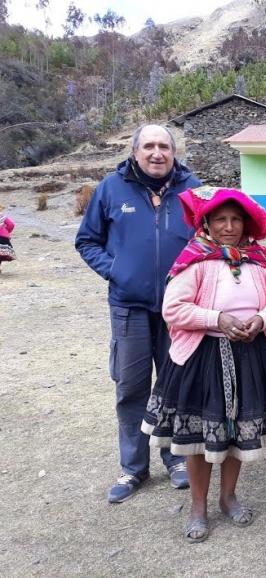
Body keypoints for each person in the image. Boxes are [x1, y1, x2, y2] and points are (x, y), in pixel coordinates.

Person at [141, 186, 266, 542]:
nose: (229, 226)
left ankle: (228, 497)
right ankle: (198, 507)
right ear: (206, 223)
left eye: (235, 219)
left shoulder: (258, 260)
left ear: (245, 223)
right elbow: (173, 308)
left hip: (250, 356)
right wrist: (218, 319)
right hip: (202, 358)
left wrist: (260, 318)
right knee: (196, 437)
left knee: (239, 432)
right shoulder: (195, 260)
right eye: (221, 219)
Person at [75, 124, 201, 503]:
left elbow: (207, 238)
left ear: (174, 152)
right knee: (131, 387)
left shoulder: (193, 188)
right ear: (135, 151)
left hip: (177, 309)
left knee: (174, 385)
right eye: (149, 146)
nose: (157, 153)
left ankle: (176, 459)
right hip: (129, 306)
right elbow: (87, 240)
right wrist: (117, 270)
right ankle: (133, 468)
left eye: (164, 146)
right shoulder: (111, 189)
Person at [0, 206, 16, 274]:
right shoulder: (2, 216)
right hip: (3, 237)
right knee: (1, 254)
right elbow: (11, 224)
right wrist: (6, 232)